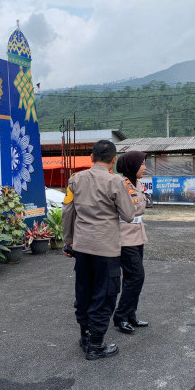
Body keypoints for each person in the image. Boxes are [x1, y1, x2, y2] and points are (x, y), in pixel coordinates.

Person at [62, 140, 136, 360]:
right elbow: (129, 215)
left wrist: (69, 241)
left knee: (84, 292)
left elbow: (67, 211)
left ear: (92, 157)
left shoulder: (75, 179)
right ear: (114, 159)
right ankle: (96, 344)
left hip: (82, 248)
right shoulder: (116, 182)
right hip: (106, 249)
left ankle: (85, 337)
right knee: (104, 296)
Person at [112, 151, 149, 334]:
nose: (145, 167)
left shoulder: (138, 184)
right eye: (142, 164)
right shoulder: (121, 185)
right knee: (136, 276)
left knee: (131, 278)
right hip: (125, 238)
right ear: (132, 165)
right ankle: (120, 316)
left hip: (138, 236)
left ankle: (130, 314)